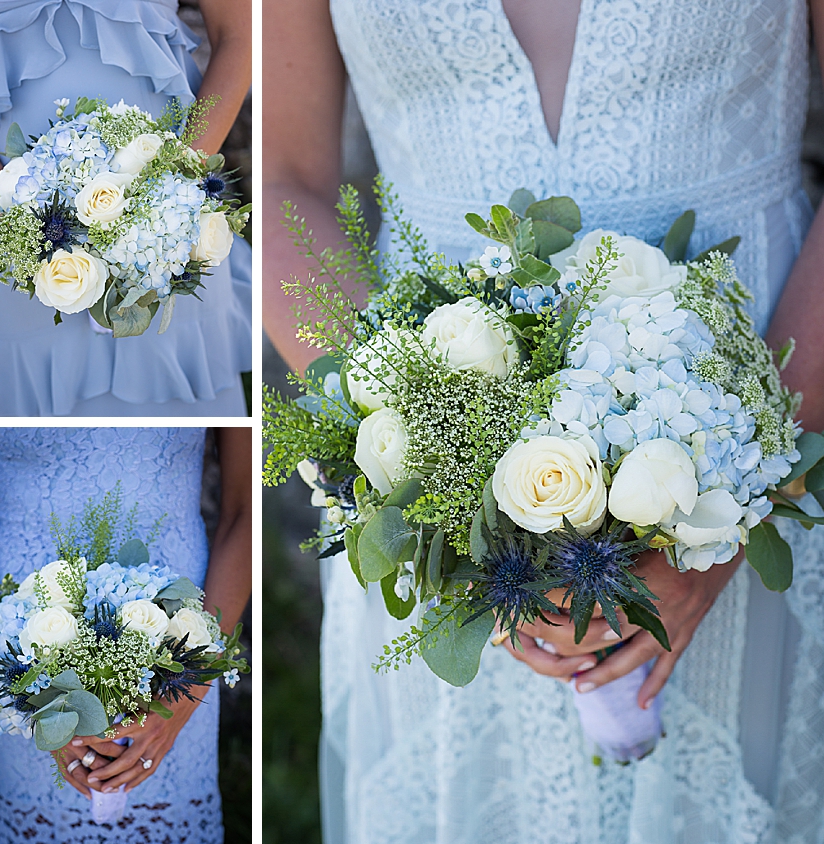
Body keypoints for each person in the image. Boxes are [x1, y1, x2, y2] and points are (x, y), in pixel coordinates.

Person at [264, 0, 824, 841]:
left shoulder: (753, 469)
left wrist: (741, 501)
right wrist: (431, 477)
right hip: (435, 440)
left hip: (758, 404)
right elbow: (282, 180)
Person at [0, 427, 252, 843]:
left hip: (180, 642)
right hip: (21, 642)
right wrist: (15, 677)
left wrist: (192, 681)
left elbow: (245, 508)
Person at [0, 0, 252, 416]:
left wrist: (173, 189)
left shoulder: (169, 204)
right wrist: (6, 201)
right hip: (2, 211)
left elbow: (240, 33)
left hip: (165, 221)